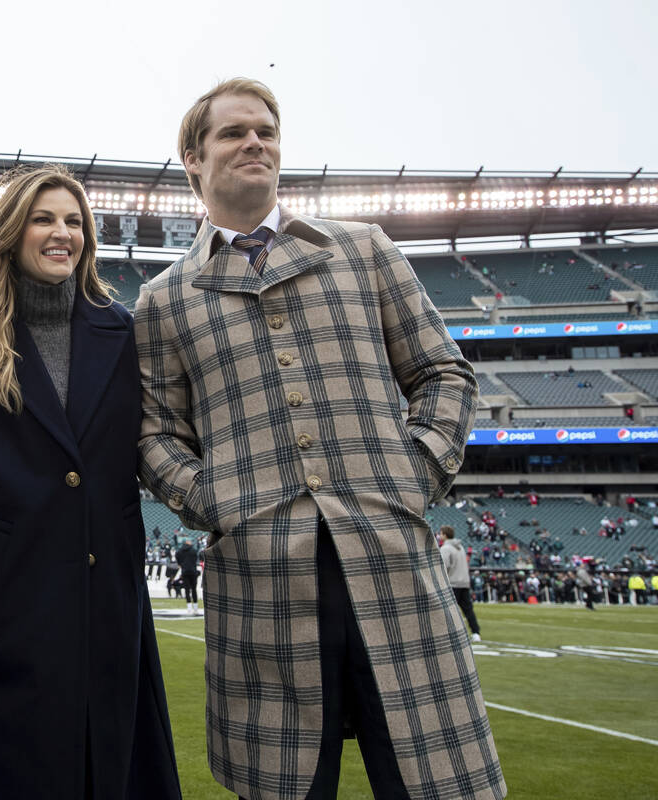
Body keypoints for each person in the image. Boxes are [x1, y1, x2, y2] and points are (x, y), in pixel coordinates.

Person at [135, 78, 504, 799]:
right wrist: (214, 501)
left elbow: (444, 374)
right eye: (234, 133)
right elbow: (154, 434)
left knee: (439, 783)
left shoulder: (363, 250)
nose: (255, 143)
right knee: (284, 786)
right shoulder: (164, 298)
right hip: (260, 582)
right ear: (191, 157)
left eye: (266, 132)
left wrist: (415, 472)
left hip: (392, 566)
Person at [0, 165, 180, 799]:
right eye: (44, 218)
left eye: (74, 221)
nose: (61, 233)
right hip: (5, 597)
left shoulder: (122, 329)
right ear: (12, 231)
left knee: (111, 766)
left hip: (105, 593)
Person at [440, 525, 481, 641]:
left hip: (453, 583)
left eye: (441, 533)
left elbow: (444, 566)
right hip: (464, 581)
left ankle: (449, 634)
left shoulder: (446, 548)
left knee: (448, 611)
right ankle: (476, 632)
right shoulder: (461, 547)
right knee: (468, 610)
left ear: (445, 535)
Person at [175, 536, 200, 614]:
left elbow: (177, 558)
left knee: (186, 590)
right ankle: (195, 608)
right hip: (193, 572)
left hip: (185, 572)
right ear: (187, 542)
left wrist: (181, 564)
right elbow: (196, 560)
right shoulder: (193, 550)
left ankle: (189, 608)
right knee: (193, 590)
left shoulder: (179, 551)